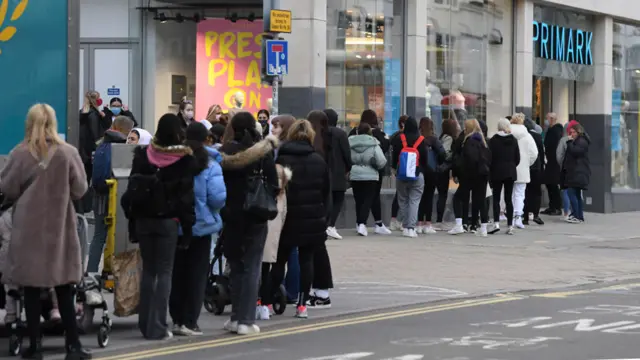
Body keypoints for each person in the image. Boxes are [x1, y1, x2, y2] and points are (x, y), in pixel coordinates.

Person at [1, 104, 90, 358]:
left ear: (28, 123)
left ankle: (35, 346)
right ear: (53, 122)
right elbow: (80, 189)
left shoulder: (19, 154)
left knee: (30, 289)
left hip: (28, 232)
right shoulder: (68, 153)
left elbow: (7, 189)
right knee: (64, 289)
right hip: (60, 230)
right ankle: (73, 346)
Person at [121, 113, 197, 340]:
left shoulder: (143, 155)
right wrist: (188, 228)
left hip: (144, 221)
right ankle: (160, 326)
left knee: (149, 271)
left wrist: (133, 222)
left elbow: (131, 192)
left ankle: (145, 324)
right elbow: (186, 200)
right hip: (168, 222)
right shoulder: (185, 160)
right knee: (164, 273)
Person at [218, 112, 279, 335]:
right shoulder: (262, 152)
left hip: (230, 215)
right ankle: (246, 320)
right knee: (252, 267)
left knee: (235, 266)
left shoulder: (223, 152)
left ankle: (234, 318)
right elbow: (274, 183)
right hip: (256, 215)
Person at [269, 119, 331, 319]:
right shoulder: (319, 161)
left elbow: (274, 189)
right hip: (312, 220)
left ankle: (266, 304)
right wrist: (323, 218)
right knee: (307, 261)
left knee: (279, 262)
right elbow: (326, 193)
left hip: (287, 218)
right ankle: (302, 305)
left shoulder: (282, 160)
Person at [170, 122, 226, 336]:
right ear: (207, 139)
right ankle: (190, 321)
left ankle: (176, 319)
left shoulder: (174, 160)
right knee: (197, 275)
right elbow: (218, 198)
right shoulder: (211, 164)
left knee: (177, 274)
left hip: (177, 225)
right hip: (201, 227)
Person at [87, 116, 134, 274]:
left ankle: (91, 272)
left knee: (99, 236)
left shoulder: (102, 144)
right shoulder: (118, 146)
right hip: (110, 196)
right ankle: (104, 271)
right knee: (107, 236)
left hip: (100, 196)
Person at [303, 111, 336, 309]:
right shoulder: (333, 138)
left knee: (311, 251)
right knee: (318, 248)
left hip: (310, 203)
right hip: (323, 201)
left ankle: (313, 291)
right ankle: (320, 291)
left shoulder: (312, 148)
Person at [257, 148, 292, 320]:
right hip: (274, 233)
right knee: (271, 267)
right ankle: (265, 303)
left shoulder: (258, 177)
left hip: (257, 230)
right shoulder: (281, 181)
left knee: (257, 269)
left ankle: (258, 302)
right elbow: (284, 212)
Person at [349, 110, 392, 234]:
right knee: (372, 197)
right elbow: (385, 148)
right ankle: (375, 223)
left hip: (355, 172)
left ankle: (359, 223)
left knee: (359, 199)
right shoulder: (377, 135)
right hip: (373, 171)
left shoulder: (353, 133)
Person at [449, 119, 491, 236]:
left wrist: (461, 171)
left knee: (457, 198)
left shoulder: (469, 141)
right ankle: (483, 228)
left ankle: (459, 224)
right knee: (480, 200)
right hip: (483, 175)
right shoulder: (483, 141)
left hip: (470, 175)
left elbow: (469, 159)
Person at [391, 116, 428, 238]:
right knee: (414, 201)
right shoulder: (421, 140)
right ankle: (411, 228)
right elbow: (425, 160)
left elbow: (394, 156)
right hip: (417, 174)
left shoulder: (399, 138)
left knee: (403, 200)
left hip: (401, 175)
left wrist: (394, 169)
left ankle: (405, 226)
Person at [323, 109, 352, 240]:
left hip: (322, 171)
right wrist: (349, 167)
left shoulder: (319, 132)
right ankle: (331, 225)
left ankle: (324, 225)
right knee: (338, 199)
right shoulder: (340, 134)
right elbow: (346, 153)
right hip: (338, 171)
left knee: (325, 199)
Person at [488, 118, 520, 235]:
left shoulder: (493, 140)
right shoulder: (514, 140)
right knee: (508, 199)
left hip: (496, 171)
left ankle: (496, 223)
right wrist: (511, 165)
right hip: (510, 172)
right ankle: (510, 225)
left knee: (496, 198)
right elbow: (517, 158)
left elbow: (489, 158)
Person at [417, 117, 446, 234]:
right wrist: (439, 164)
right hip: (432, 172)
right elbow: (442, 153)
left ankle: (418, 223)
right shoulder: (434, 139)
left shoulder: (417, 139)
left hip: (419, 171)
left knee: (419, 198)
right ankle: (427, 224)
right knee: (429, 197)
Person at [509, 113, 538, 229]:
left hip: (508, 168)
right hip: (522, 168)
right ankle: (518, 217)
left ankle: (509, 216)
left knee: (509, 193)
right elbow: (534, 153)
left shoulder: (507, 134)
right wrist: (526, 163)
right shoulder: (527, 136)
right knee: (520, 194)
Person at [561, 123, 591, 223]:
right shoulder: (580, 141)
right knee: (576, 194)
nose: (572, 134)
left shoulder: (581, 141)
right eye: (571, 132)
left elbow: (575, 152)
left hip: (577, 172)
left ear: (579, 132)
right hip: (576, 171)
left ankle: (576, 215)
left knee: (572, 193)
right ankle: (579, 216)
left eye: (573, 132)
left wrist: (569, 142)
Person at [434, 119, 459, 229]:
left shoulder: (441, 137)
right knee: (443, 195)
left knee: (442, 195)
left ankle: (440, 219)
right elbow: (445, 153)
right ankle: (440, 220)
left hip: (441, 170)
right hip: (444, 170)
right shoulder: (448, 138)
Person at [79, 90, 107, 184]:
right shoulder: (93, 115)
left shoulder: (82, 112)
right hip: (90, 151)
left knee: (84, 177)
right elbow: (96, 135)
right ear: (95, 100)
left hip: (82, 150)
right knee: (89, 176)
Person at [541, 113, 564, 215]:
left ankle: (556, 207)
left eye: (547, 118)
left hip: (553, 162)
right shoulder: (553, 130)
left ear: (552, 119)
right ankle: (552, 206)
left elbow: (551, 146)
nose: (546, 121)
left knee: (553, 185)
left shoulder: (555, 131)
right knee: (549, 184)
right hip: (550, 161)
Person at [523, 118, 545, 225]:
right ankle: (536, 214)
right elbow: (541, 152)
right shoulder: (537, 136)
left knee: (525, 192)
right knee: (536, 192)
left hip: (525, 167)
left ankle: (525, 216)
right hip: (536, 167)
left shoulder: (522, 136)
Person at [389, 115, 408, 231]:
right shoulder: (401, 136)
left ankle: (395, 220)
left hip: (399, 167)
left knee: (400, 194)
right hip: (405, 167)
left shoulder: (395, 136)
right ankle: (397, 220)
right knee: (402, 194)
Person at [556, 120, 578, 220]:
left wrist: (562, 165)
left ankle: (566, 212)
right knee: (576, 191)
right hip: (577, 169)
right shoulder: (580, 140)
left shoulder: (563, 140)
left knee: (565, 191)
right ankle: (576, 212)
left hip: (565, 168)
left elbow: (559, 155)